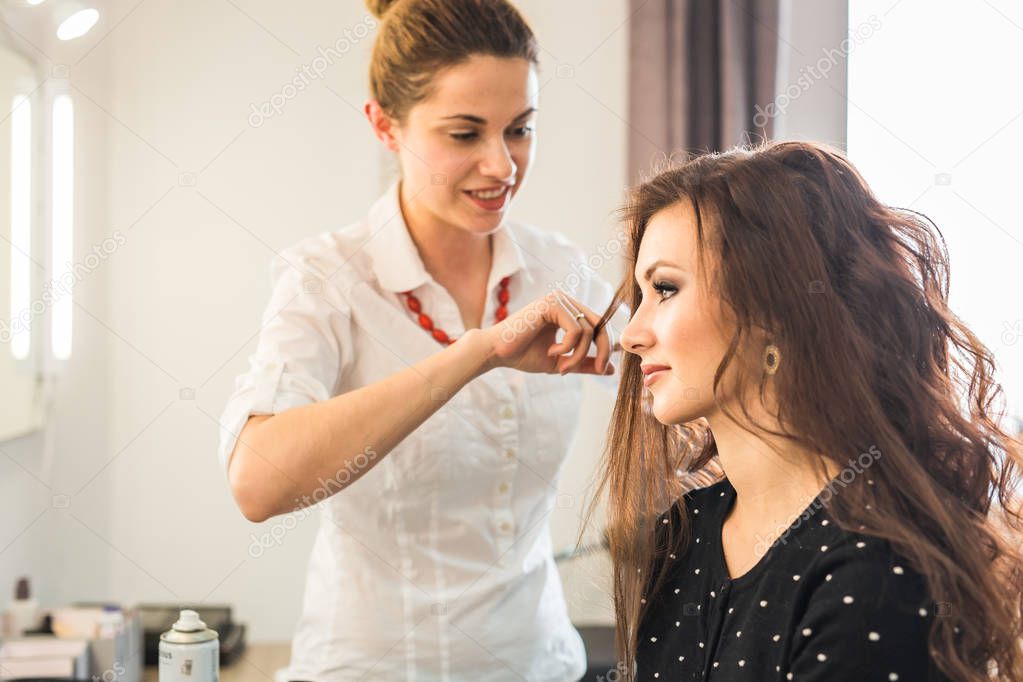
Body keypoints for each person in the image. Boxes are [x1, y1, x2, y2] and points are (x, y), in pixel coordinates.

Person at [217, 0, 628, 679]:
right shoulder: (324, 281)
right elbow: (259, 484)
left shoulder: (559, 269)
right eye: (464, 134)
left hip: (540, 664)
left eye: (519, 130)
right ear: (384, 124)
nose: (501, 166)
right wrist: (474, 354)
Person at [588, 140, 1023, 681]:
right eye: (641, 295)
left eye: (666, 289)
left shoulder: (874, 570)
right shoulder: (682, 534)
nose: (631, 335)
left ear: (775, 308)